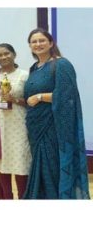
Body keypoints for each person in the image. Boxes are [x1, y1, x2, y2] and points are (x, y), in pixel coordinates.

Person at [23, 28, 89, 199]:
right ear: (30, 46)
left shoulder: (61, 64)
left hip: (53, 126)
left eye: (42, 40)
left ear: (51, 43)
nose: (38, 44)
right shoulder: (34, 68)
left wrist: (39, 97)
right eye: (34, 42)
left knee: (52, 166)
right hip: (35, 127)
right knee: (39, 167)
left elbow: (67, 95)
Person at [0, 43, 31, 199]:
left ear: (14, 54)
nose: (3, 57)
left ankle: (23, 198)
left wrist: (15, 99)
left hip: (19, 127)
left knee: (21, 165)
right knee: (2, 166)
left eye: (7, 53)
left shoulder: (24, 75)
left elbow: (30, 101)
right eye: (0, 55)